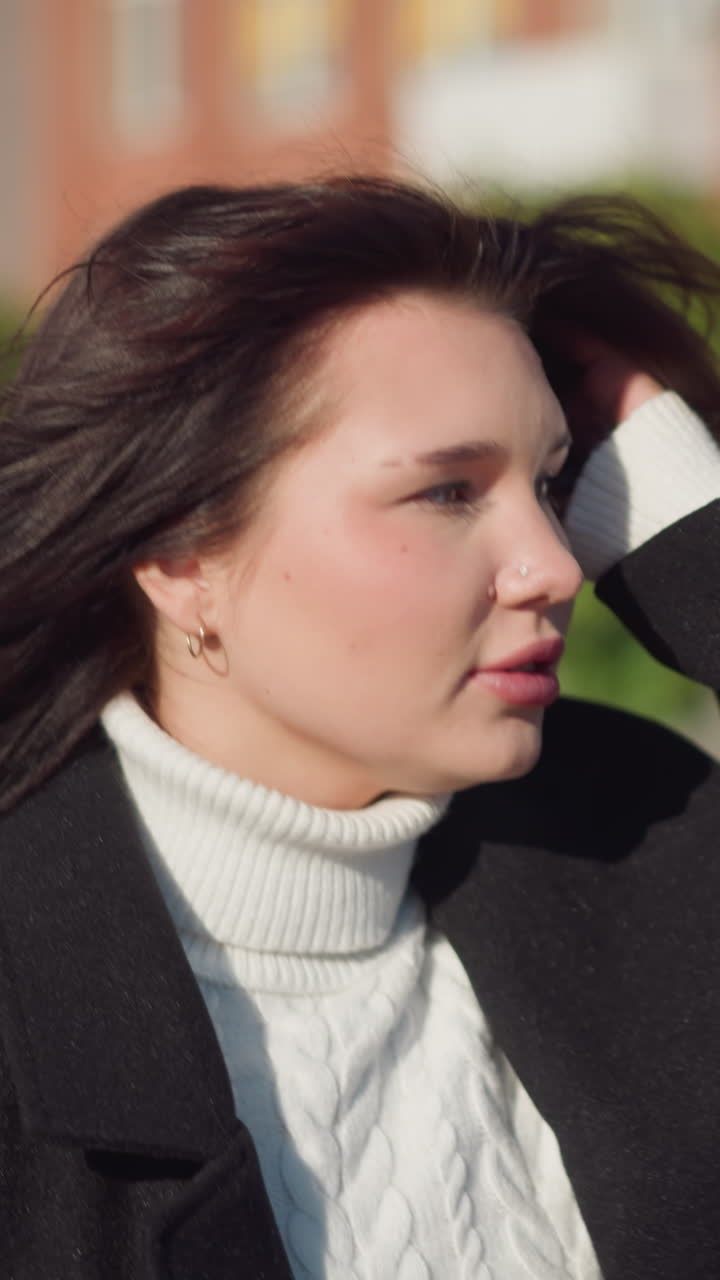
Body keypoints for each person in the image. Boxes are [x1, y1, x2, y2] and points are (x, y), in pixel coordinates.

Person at [1, 176, 719, 1280]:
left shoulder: (649, 841)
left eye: (553, 479)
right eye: (446, 491)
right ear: (184, 555)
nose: (558, 564)